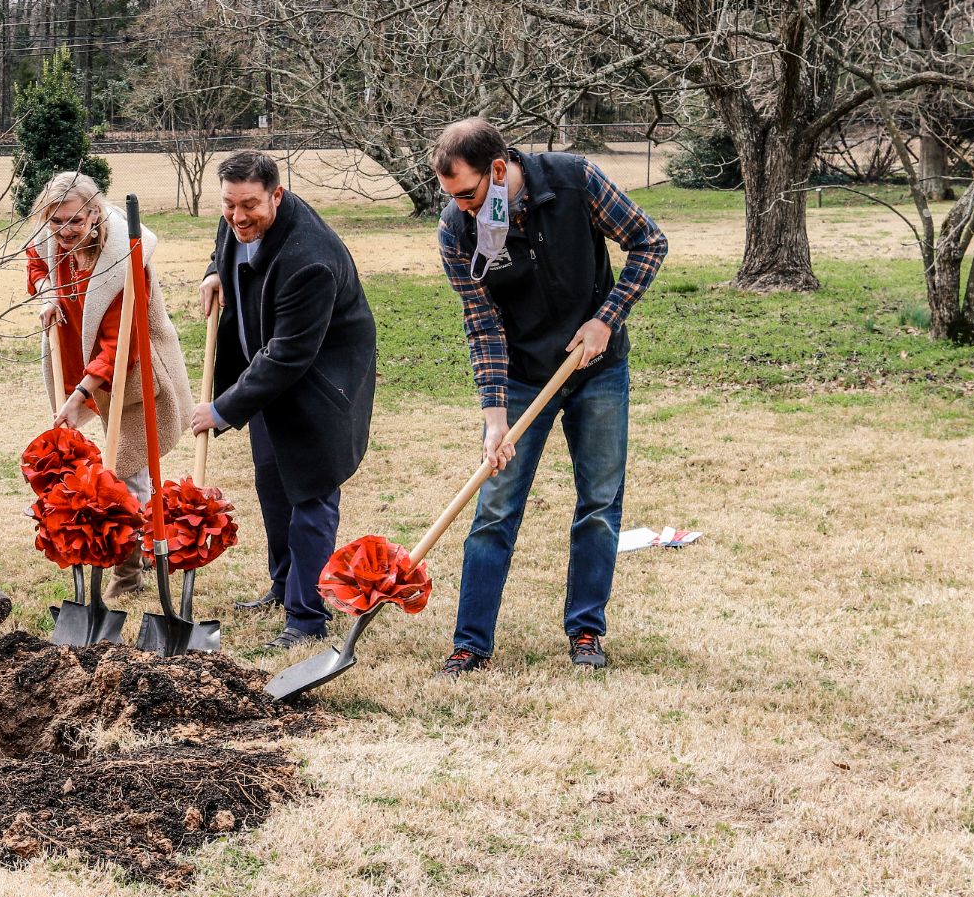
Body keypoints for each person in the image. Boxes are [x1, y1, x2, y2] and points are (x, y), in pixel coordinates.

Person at [431, 118, 668, 676]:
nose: (461, 206)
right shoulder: (457, 230)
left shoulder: (574, 180)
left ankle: (586, 630)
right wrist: (494, 420)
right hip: (520, 376)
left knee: (599, 503)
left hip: (597, 369)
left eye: (467, 193)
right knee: (494, 507)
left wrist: (605, 320)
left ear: (497, 168)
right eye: (451, 197)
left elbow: (648, 241)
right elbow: (483, 327)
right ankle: (471, 644)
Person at [192, 151, 376, 650]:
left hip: (322, 384)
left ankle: (307, 616)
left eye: (249, 205)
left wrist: (223, 408)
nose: (237, 216)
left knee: (310, 492)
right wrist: (215, 271)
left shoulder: (309, 260)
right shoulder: (240, 214)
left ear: (278, 194)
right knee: (274, 483)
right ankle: (283, 586)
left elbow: (290, 356)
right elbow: (225, 236)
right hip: (270, 376)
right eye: (229, 204)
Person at [28, 171, 192, 602]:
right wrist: (47, 293)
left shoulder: (125, 258)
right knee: (101, 469)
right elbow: (36, 262)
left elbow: (119, 343)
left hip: (135, 367)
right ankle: (111, 556)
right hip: (86, 362)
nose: (64, 232)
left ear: (95, 214)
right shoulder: (51, 240)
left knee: (129, 469)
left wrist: (82, 393)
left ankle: (131, 573)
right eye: (55, 222)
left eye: (75, 222)